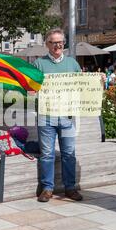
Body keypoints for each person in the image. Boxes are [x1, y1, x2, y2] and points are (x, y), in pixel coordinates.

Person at [33, 28, 83, 203]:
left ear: (64, 43)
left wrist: (96, 82)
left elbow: (82, 86)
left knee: (69, 153)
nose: (58, 45)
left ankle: (70, 188)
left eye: (60, 42)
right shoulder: (39, 64)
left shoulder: (73, 64)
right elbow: (32, 89)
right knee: (47, 154)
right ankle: (47, 188)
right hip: (46, 116)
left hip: (67, 116)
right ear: (47, 44)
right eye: (54, 42)